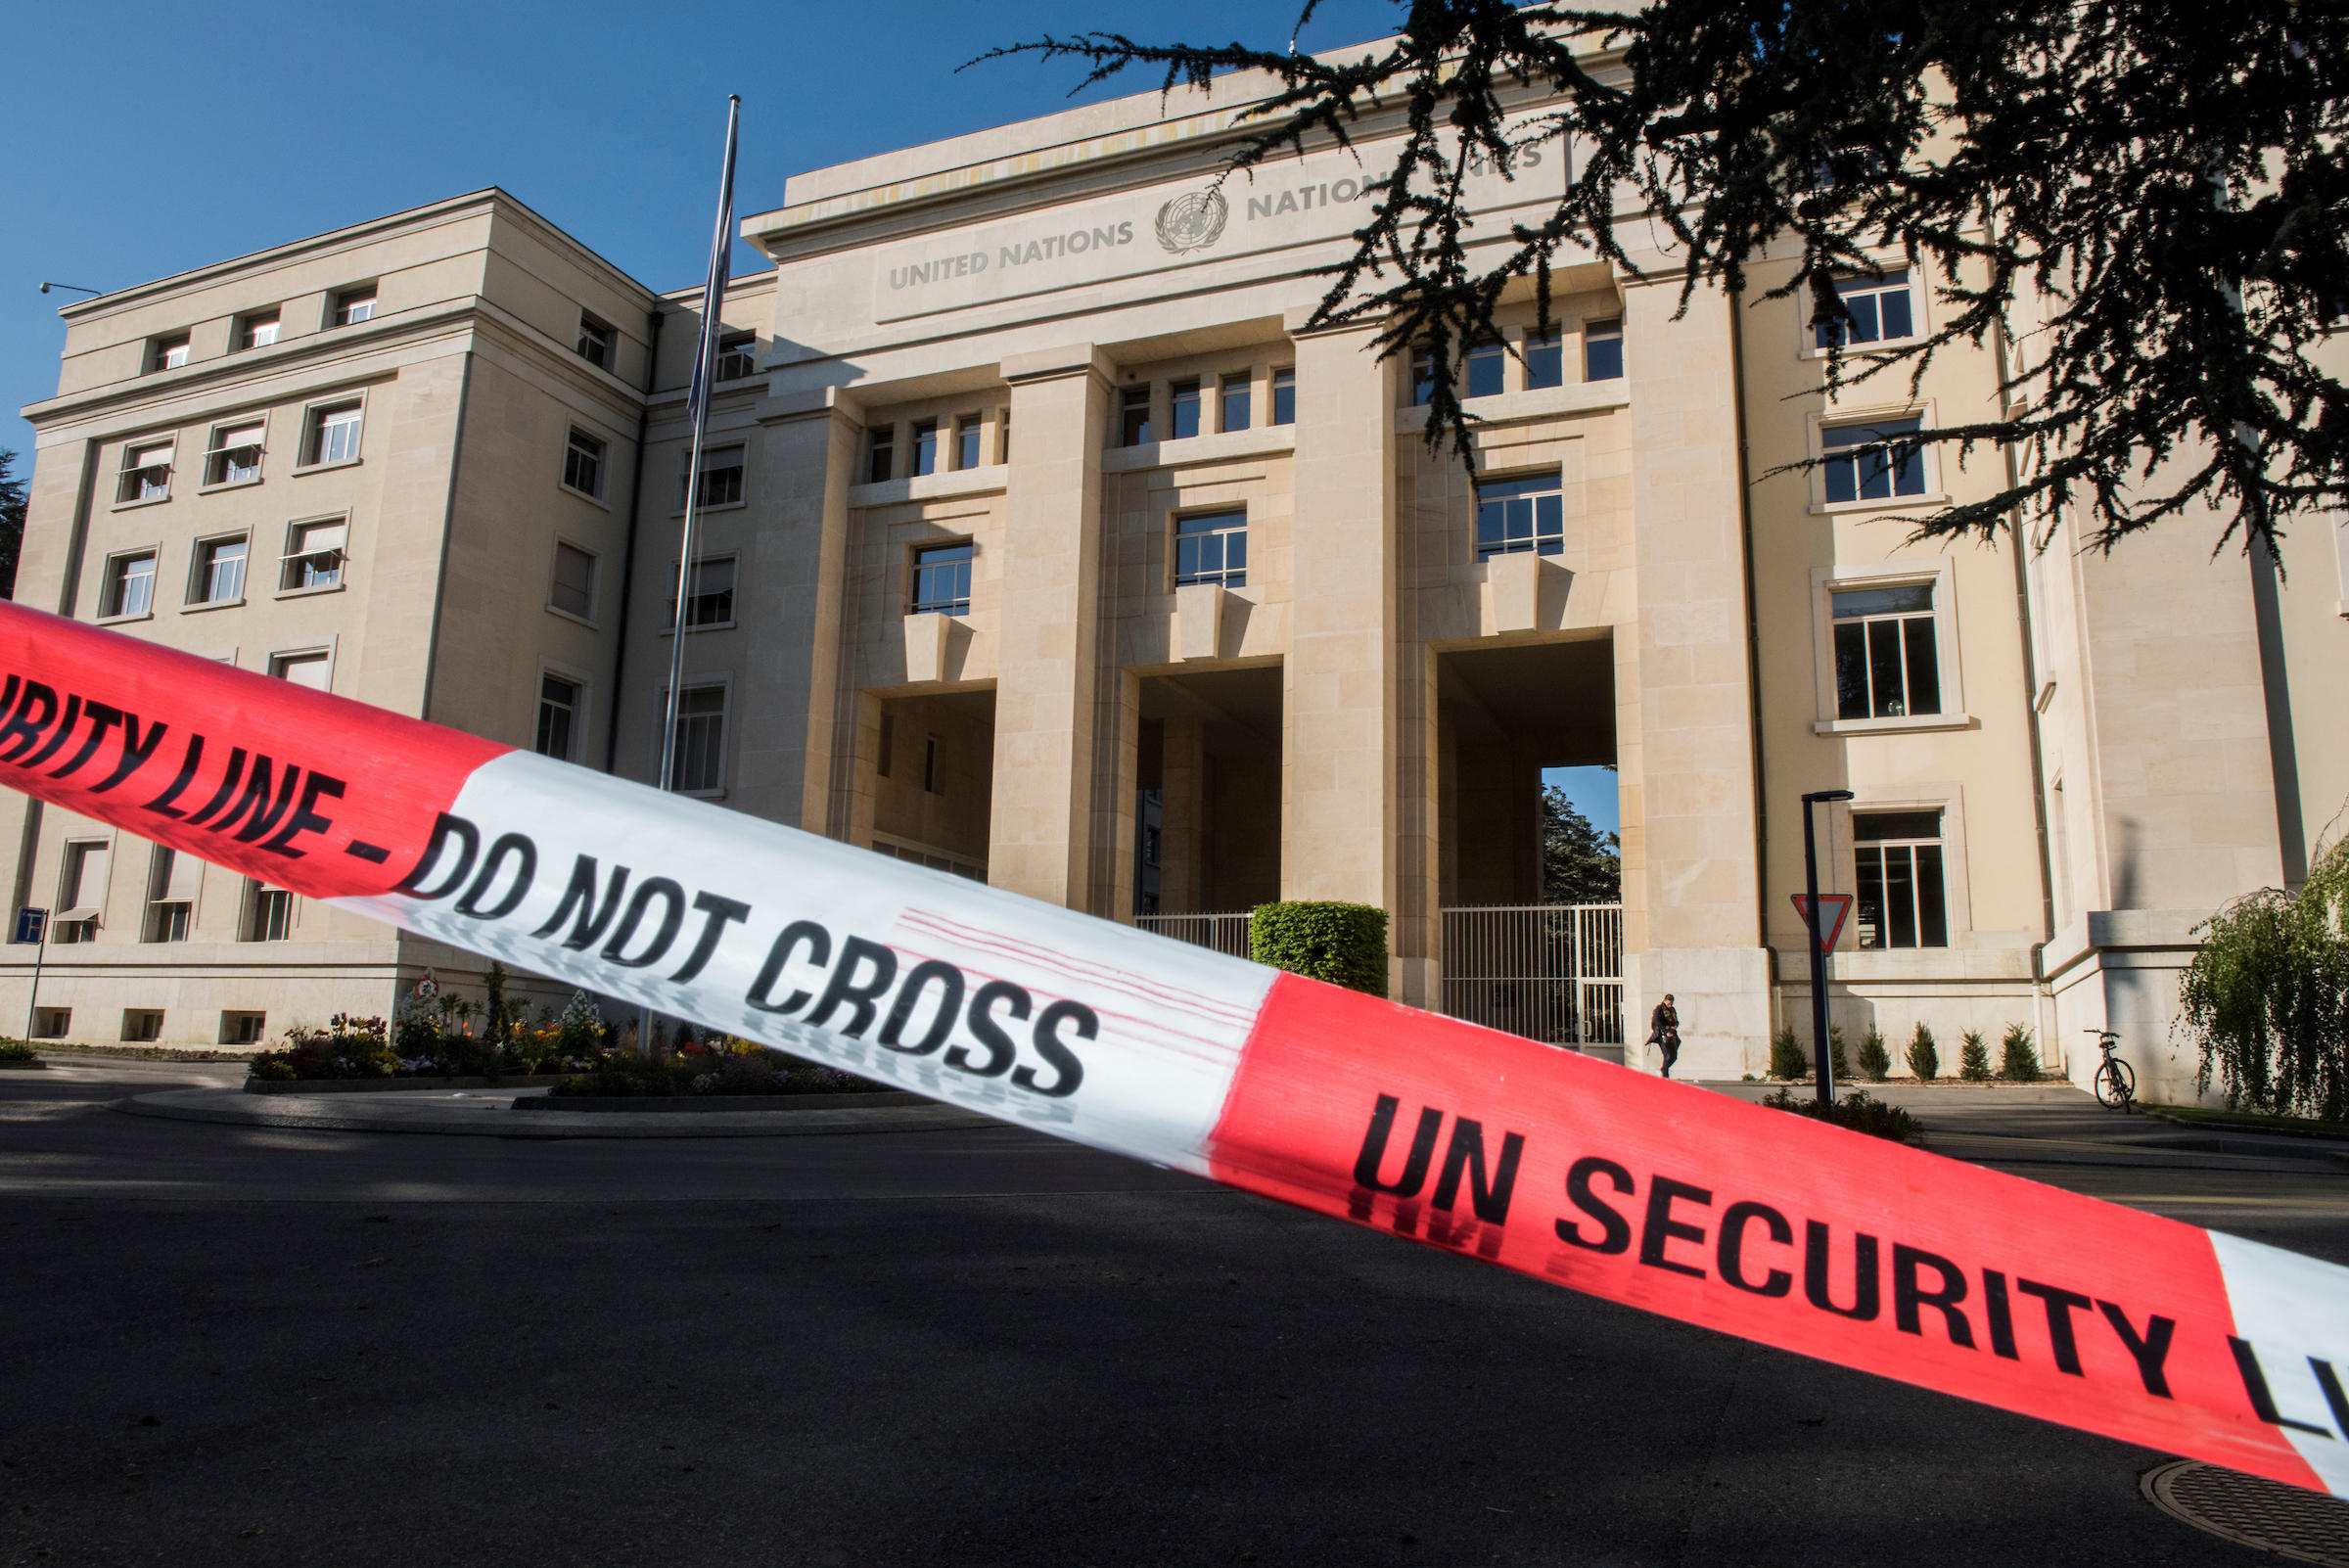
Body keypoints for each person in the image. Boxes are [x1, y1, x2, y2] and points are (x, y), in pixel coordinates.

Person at [1647, 993, 1681, 1079]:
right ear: (1665, 1000)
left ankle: (1663, 1069)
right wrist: (1666, 1031)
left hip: (1672, 1034)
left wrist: (1675, 1025)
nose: (1670, 1005)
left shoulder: (1672, 1010)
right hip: (1662, 1036)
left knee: (1674, 1056)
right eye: (1669, 1003)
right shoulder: (1659, 1009)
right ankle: (1665, 1076)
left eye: (1671, 1003)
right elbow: (1657, 1022)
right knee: (1667, 1055)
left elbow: (1676, 1020)